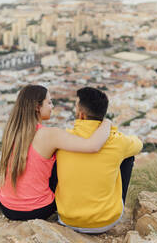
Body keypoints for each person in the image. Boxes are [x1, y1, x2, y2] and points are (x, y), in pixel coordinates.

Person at [0, 85, 112, 221]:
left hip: (6, 207)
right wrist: (107, 123)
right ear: (36, 107)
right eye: (49, 102)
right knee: (64, 157)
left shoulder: (11, 131)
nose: (52, 106)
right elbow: (93, 146)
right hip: (37, 210)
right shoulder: (49, 134)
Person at [55, 87, 143, 233]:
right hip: (104, 222)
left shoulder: (63, 139)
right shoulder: (117, 141)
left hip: (66, 219)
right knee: (128, 157)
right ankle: (117, 203)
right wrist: (111, 127)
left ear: (81, 114)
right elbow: (138, 144)